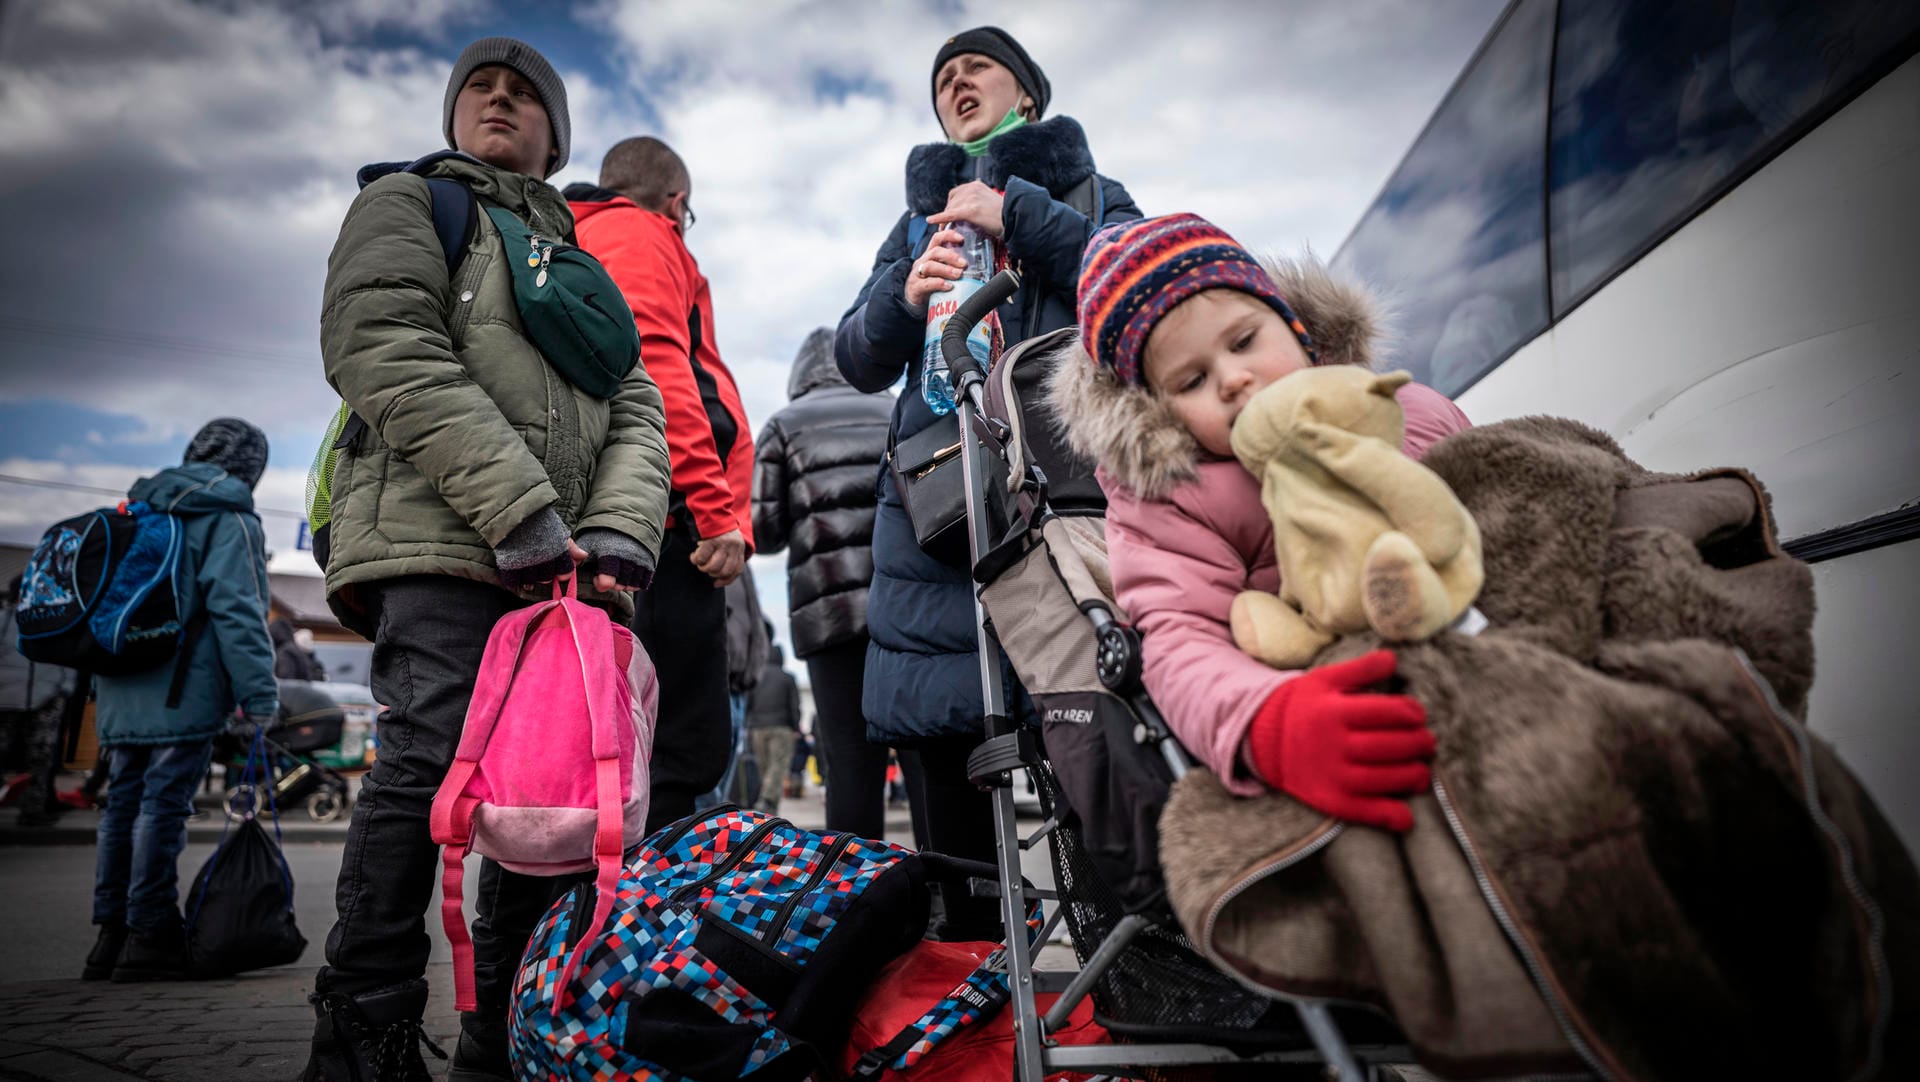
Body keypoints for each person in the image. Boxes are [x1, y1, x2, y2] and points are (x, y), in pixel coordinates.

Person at [304, 37, 670, 1082]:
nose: (500, 101)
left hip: (569, 569)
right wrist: (517, 506)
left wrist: (617, 534)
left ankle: (507, 1036)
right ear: (456, 115)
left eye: (525, 96)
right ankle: (362, 1032)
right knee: (425, 770)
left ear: (556, 138)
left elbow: (637, 410)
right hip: (441, 544)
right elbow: (381, 344)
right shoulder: (413, 205)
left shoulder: (585, 264)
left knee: (543, 796)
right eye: (482, 89)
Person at [835, 26, 1140, 931]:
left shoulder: (1090, 192)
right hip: (935, 515)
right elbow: (856, 356)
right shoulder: (915, 222)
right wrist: (902, 294)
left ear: (1029, 96)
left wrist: (1021, 217)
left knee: (1092, 753)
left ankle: (1122, 998)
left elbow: (1134, 289)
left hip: (1061, 503)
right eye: (942, 78)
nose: (956, 81)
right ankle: (968, 1015)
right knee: (946, 782)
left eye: (977, 67)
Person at [1049, 213, 1471, 833]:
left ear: (1299, 330)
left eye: (1245, 342)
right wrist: (1270, 723)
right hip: (1342, 689)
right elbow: (1180, 640)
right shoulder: (1177, 501)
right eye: (1192, 381)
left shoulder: (1403, 408)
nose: (1233, 378)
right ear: (1159, 413)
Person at [564, 137, 756, 833]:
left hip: (616, 513)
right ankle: (646, 921)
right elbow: (659, 371)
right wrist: (713, 508)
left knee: (603, 742)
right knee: (679, 747)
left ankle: (569, 925)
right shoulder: (641, 234)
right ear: (677, 204)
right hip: (664, 523)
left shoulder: (579, 236)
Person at [85, 419, 280, 982]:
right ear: (250, 468)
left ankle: (110, 937)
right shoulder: (229, 518)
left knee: (122, 804)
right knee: (162, 807)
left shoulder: (138, 509)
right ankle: (151, 933)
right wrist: (260, 698)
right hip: (181, 690)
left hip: (121, 683)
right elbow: (237, 615)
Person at [750, 327, 900, 837]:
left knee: (849, 762)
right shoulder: (894, 409)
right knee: (927, 752)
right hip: (904, 607)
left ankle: (857, 892)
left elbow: (765, 534)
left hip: (828, 616)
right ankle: (948, 897)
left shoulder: (783, 426)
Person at [1, 573, 78, 827]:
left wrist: (63, 688)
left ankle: (34, 808)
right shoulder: (5, 621)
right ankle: (31, 807)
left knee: (41, 755)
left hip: (44, 697)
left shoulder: (51, 623)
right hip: (8, 700)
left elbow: (67, 658)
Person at [744, 628, 802, 815]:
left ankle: (768, 807)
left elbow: (748, 704)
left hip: (757, 729)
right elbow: (794, 704)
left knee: (764, 768)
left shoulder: (757, 676)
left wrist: (749, 725)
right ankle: (767, 801)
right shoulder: (787, 678)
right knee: (778, 766)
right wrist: (795, 726)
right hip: (781, 727)